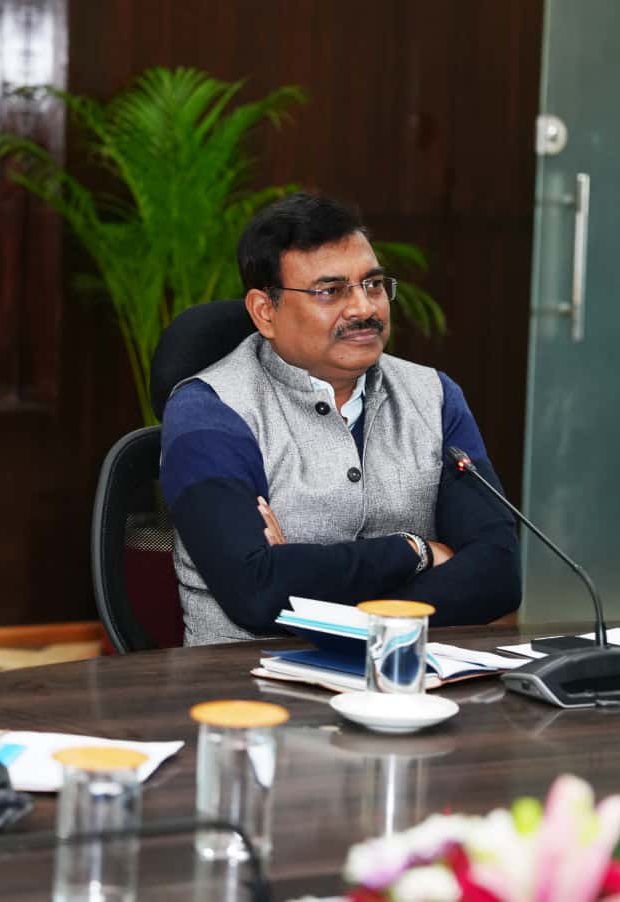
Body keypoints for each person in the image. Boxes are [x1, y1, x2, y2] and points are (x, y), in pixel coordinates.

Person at [160, 192, 521, 646]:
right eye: (330, 292)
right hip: (246, 679)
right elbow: (256, 590)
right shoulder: (211, 411)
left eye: (373, 284)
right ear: (265, 312)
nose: (363, 309)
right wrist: (416, 551)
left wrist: (307, 586)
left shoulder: (434, 396)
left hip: (408, 673)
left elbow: (499, 574)